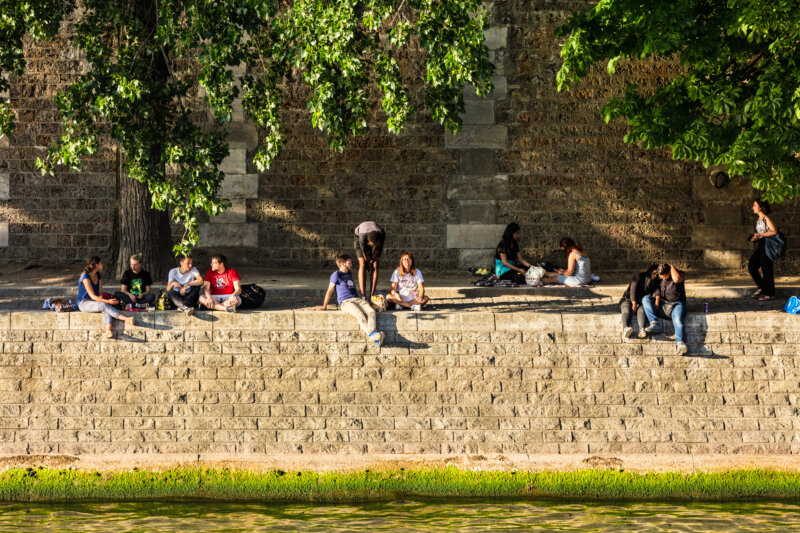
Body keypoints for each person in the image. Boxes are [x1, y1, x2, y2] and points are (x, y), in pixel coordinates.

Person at [315, 254, 384, 346]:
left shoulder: (349, 273)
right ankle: (374, 335)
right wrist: (324, 306)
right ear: (343, 264)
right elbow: (330, 290)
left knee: (371, 312)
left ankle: (374, 336)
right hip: (346, 302)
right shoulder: (336, 275)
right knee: (360, 315)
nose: (351, 264)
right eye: (349, 263)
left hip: (357, 299)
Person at [77, 256, 135, 338]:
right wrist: (107, 301)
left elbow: (100, 292)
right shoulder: (85, 277)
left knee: (105, 307)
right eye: (101, 263)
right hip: (84, 303)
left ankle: (108, 330)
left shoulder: (98, 275)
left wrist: (103, 300)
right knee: (104, 305)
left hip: (95, 301)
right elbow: (92, 296)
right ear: (96, 265)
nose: (102, 265)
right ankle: (126, 319)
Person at [641, 263, 688, 355]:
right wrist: (657, 301)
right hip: (663, 305)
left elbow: (677, 279)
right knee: (646, 299)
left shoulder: (680, 274)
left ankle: (680, 343)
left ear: (669, 272)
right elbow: (656, 289)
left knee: (678, 321)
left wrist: (671, 266)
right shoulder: (660, 278)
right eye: (661, 277)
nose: (663, 278)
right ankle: (654, 323)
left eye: (665, 276)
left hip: (676, 305)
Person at [748, 199, 778, 301]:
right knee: (752, 265)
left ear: (760, 207)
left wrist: (760, 234)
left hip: (766, 245)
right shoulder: (759, 219)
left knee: (767, 269)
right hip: (761, 244)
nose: (753, 207)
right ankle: (762, 288)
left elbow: (774, 231)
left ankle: (770, 294)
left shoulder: (765, 218)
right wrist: (756, 238)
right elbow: (762, 233)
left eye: (754, 205)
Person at [620, 265, 658, 339]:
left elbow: (657, 292)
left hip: (640, 301)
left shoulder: (655, 281)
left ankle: (642, 329)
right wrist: (634, 305)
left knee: (642, 311)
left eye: (657, 274)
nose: (656, 275)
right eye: (655, 273)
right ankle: (625, 328)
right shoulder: (639, 276)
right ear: (650, 271)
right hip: (627, 299)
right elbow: (632, 291)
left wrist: (657, 303)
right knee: (627, 311)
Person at [354, 221, 385, 298]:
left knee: (375, 264)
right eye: (370, 244)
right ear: (368, 240)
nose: (371, 246)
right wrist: (368, 262)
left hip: (375, 237)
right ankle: (363, 294)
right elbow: (364, 252)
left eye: (373, 245)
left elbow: (378, 250)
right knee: (362, 264)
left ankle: (372, 294)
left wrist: (372, 261)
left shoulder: (382, 234)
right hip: (358, 237)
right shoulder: (362, 237)